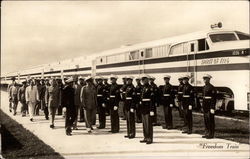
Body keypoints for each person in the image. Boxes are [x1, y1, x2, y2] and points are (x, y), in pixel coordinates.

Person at [140, 74, 155, 144]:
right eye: (142, 79)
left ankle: (149, 138)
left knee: (148, 124)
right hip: (143, 108)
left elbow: (152, 100)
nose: (143, 81)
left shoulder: (150, 88)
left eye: (144, 79)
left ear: (148, 80)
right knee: (144, 124)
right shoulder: (143, 88)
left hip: (148, 107)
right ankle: (145, 137)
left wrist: (152, 109)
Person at [202, 74, 217, 139]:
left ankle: (211, 134)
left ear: (209, 79)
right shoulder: (204, 87)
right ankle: (207, 132)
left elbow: (213, 98)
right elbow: (203, 98)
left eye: (206, 79)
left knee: (210, 120)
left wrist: (212, 107)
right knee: (206, 120)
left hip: (209, 106)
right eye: (204, 79)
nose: (205, 80)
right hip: (205, 106)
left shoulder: (212, 87)